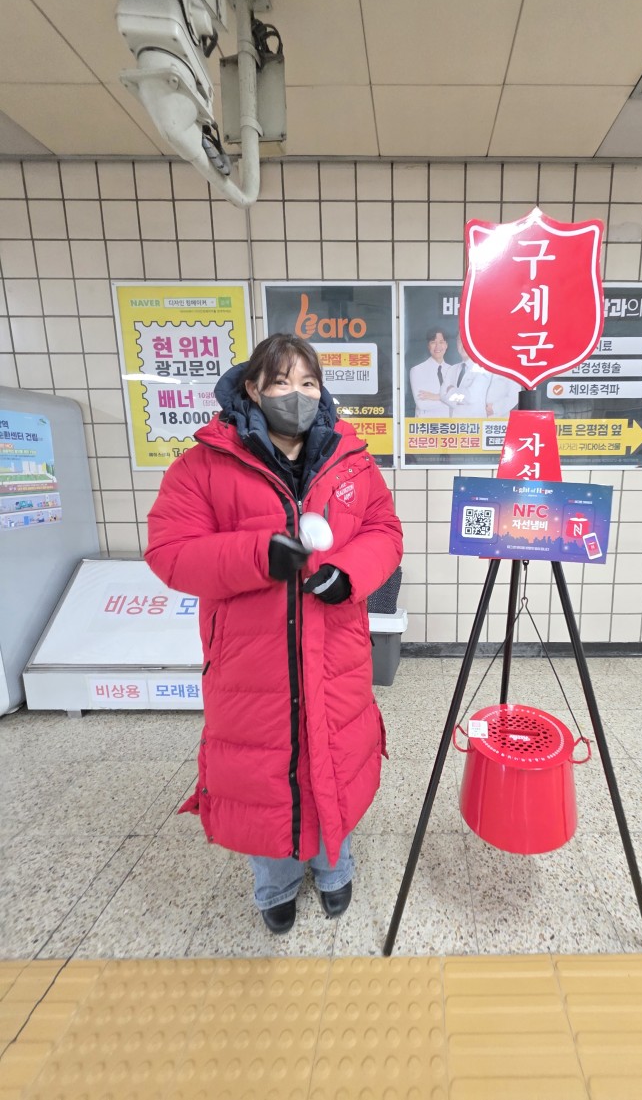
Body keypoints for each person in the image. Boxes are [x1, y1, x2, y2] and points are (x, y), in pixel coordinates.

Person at [145, 333, 403, 935]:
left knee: (334, 755)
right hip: (251, 662)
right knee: (265, 772)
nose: (297, 394)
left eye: (309, 383)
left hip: (335, 653)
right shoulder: (204, 465)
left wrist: (350, 574)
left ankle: (334, 868)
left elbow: (384, 530)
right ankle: (276, 882)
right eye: (282, 382)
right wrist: (257, 555)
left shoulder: (350, 460)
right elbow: (170, 552)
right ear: (253, 389)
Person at [441, 335, 491, 417]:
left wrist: (451, 390)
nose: (463, 344)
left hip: (474, 422)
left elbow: (471, 397)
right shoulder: (452, 369)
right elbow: (442, 395)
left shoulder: (483, 369)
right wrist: (461, 401)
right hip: (454, 422)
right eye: (460, 340)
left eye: (467, 340)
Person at [408, 327, 452, 417]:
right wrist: (449, 398)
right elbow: (422, 405)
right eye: (433, 342)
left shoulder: (453, 370)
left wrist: (436, 397)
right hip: (427, 423)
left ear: (446, 345)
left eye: (441, 342)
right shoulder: (417, 370)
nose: (437, 346)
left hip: (450, 423)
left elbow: (461, 401)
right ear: (428, 346)